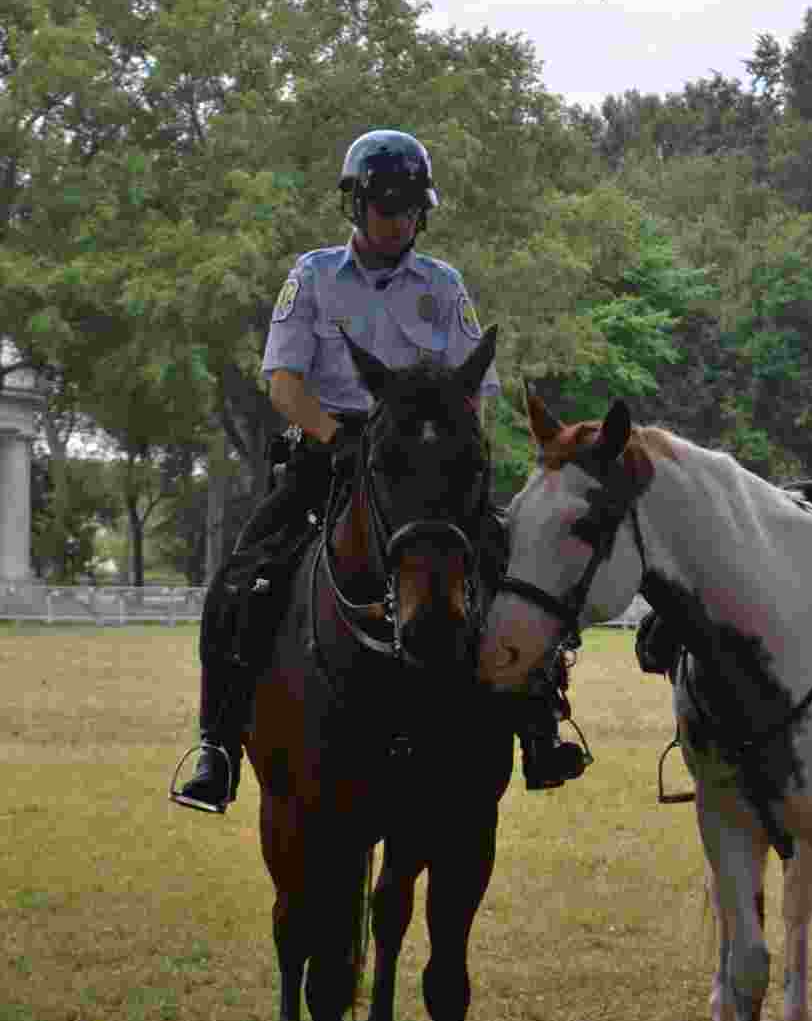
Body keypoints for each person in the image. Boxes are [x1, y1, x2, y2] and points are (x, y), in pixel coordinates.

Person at [170, 129, 587, 813]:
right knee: (243, 580)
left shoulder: (444, 285)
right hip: (330, 451)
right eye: (387, 207)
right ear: (357, 206)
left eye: (410, 209)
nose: (399, 222)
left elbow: (475, 392)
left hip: (424, 465)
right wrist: (338, 438)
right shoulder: (312, 277)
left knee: (511, 569)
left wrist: (454, 452)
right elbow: (283, 383)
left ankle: (540, 727)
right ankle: (217, 747)